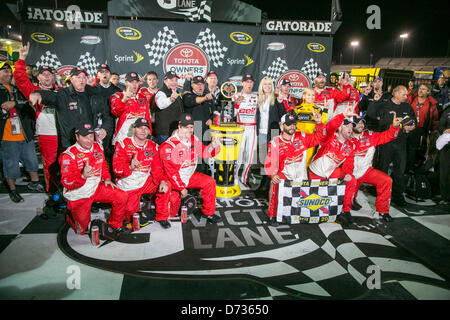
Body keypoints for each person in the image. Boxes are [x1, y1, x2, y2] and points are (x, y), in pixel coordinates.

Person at [59, 122, 128, 239]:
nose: (89, 140)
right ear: (77, 137)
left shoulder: (98, 146)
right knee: (81, 231)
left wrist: (106, 178)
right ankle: (71, 217)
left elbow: (103, 165)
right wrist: (83, 176)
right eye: (84, 137)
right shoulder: (68, 156)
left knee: (121, 196)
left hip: (96, 187)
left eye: (91, 136)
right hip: (79, 194)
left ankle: (115, 224)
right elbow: (67, 183)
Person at [13, 42, 61, 195]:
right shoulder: (33, 90)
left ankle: (66, 192)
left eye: (49, 74)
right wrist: (21, 59)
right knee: (50, 165)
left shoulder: (60, 91)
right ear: (38, 76)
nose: (47, 77)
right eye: (43, 74)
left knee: (66, 164)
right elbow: (20, 79)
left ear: (53, 76)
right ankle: (52, 192)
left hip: (64, 133)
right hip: (47, 135)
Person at [264, 110, 325, 226]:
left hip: (301, 176)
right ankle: (273, 215)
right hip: (285, 175)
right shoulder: (275, 142)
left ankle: (300, 213)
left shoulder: (302, 136)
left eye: (294, 124)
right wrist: (272, 175)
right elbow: (270, 163)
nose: (292, 126)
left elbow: (319, 138)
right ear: (281, 125)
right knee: (275, 182)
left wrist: (319, 124)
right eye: (289, 124)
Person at [159, 113, 222, 223]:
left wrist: (213, 146)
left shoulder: (194, 139)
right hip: (173, 180)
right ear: (179, 127)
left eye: (191, 127)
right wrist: (181, 188)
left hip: (188, 176)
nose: (189, 130)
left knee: (209, 182)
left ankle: (208, 213)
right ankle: (163, 214)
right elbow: (171, 172)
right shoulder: (169, 146)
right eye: (186, 127)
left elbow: (204, 153)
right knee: (171, 212)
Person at [29, 67, 111, 150]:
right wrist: (38, 94)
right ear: (71, 79)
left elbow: (106, 115)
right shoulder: (63, 95)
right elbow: (50, 96)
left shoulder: (95, 95)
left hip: (90, 142)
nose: (81, 80)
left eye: (84, 77)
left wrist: (105, 128)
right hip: (70, 144)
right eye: (78, 77)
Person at [113, 118, 174, 229]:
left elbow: (157, 169)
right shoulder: (123, 144)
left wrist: (162, 181)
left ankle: (162, 217)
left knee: (166, 185)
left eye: (146, 128)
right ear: (134, 129)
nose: (143, 130)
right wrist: (130, 166)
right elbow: (116, 169)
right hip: (128, 183)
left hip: (145, 181)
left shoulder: (152, 146)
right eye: (140, 128)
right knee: (130, 217)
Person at [1, 61, 45, 202]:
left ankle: (35, 183)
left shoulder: (17, 88)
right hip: (7, 135)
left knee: (32, 161)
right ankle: (13, 190)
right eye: (5, 71)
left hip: (25, 133)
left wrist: (14, 103)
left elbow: (28, 102)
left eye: (9, 71)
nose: (8, 73)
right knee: (11, 164)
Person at [308, 106, 358, 224]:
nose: (350, 129)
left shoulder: (350, 146)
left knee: (351, 179)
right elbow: (329, 127)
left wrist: (347, 174)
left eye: (351, 127)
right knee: (315, 208)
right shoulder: (329, 138)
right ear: (340, 127)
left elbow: (349, 165)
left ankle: (345, 210)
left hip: (331, 172)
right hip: (316, 172)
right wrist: (343, 115)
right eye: (346, 126)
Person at [351, 114, 402, 222]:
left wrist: (395, 127)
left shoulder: (370, 135)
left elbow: (388, 136)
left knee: (386, 180)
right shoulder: (344, 135)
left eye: (362, 122)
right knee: (346, 200)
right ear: (351, 124)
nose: (360, 125)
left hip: (366, 171)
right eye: (357, 122)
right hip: (349, 173)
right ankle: (350, 201)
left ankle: (383, 211)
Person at [376, 85, 417, 207]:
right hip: (386, 143)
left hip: (401, 143)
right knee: (383, 169)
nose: (406, 96)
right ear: (395, 93)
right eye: (404, 94)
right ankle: (381, 195)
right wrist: (393, 125)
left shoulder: (407, 106)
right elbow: (379, 122)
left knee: (400, 170)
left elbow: (414, 122)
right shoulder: (384, 105)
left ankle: (398, 197)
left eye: (406, 94)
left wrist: (411, 127)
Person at [256, 77, 284, 191]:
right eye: (265, 84)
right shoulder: (259, 99)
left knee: (272, 159)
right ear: (261, 86)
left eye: (269, 84)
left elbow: (283, 115)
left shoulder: (277, 99)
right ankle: (264, 181)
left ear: (272, 86)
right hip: (262, 132)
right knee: (263, 159)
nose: (267, 86)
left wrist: (281, 104)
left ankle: (267, 185)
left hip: (272, 132)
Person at [110, 72, 151, 146]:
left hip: (140, 140)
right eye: (131, 82)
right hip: (122, 140)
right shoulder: (117, 96)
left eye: (136, 82)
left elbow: (147, 119)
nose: (134, 84)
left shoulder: (143, 98)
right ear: (126, 83)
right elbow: (115, 112)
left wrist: (149, 134)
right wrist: (124, 100)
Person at [406, 84, 439, 172]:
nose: (420, 90)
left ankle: (410, 168)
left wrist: (433, 132)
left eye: (423, 89)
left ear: (428, 92)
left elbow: (434, 120)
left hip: (420, 130)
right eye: (420, 88)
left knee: (414, 149)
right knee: (404, 147)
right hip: (406, 127)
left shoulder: (431, 105)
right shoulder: (411, 99)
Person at [233, 74, 258, 187]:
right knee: (238, 155)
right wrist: (237, 104)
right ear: (242, 83)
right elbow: (231, 114)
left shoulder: (256, 96)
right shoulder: (236, 95)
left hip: (252, 128)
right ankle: (234, 177)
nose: (249, 84)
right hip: (240, 127)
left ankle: (244, 178)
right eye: (246, 82)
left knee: (250, 155)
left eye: (251, 82)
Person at [293, 88, 328, 166]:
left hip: (311, 140)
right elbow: (292, 125)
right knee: (297, 161)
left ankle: (306, 177)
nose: (311, 97)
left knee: (308, 161)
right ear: (304, 96)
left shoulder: (318, 109)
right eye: (309, 95)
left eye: (313, 95)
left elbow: (322, 122)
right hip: (298, 140)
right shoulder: (297, 109)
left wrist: (325, 110)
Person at [154, 71, 184, 145]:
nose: (174, 82)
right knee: (164, 154)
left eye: (176, 80)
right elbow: (161, 104)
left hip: (175, 131)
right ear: (165, 81)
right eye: (171, 80)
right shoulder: (161, 93)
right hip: (164, 133)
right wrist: (171, 99)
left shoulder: (175, 91)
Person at [182, 75, 214, 141]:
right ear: (192, 85)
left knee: (206, 149)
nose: (200, 86)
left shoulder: (209, 96)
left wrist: (211, 119)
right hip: (194, 128)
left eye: (202, 84)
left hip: (206, 128)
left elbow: (214, 110)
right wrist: (205, 98)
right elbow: (195, 100)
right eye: (197, 84)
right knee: (196, 149)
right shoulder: (187, 95)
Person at [437, 106, 450, 204]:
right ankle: (445, 197)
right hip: (446, 146)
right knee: (444, 173)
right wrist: (444, 130)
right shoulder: (447, 110)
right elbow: (440, 125)